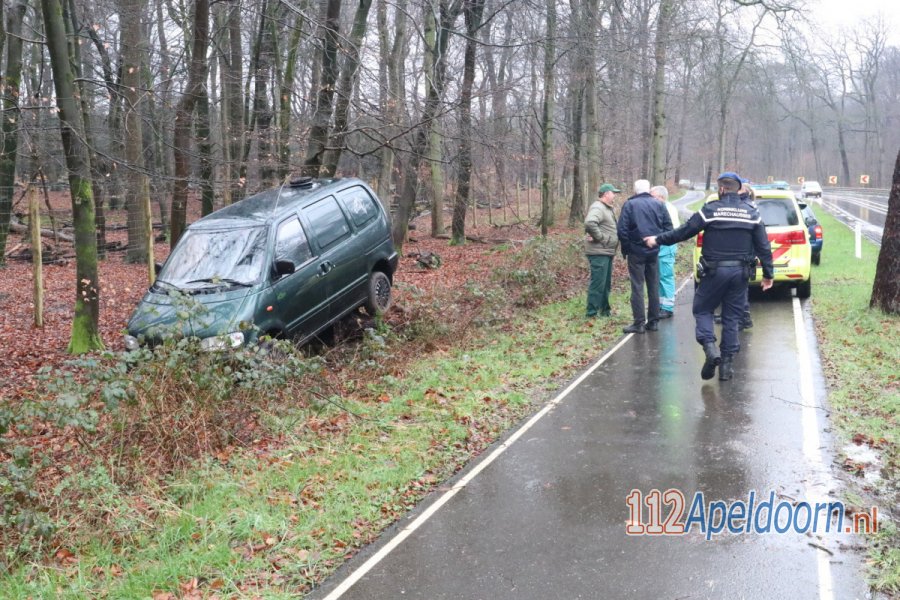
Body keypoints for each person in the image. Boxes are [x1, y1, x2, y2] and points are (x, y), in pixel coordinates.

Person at [644, 172, 774, 381]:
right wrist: (768, 274)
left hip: (714, 272)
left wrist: (657, 240)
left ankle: (710, 348)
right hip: (740, 274)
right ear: (738, 189)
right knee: (732, 318)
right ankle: (726, 367)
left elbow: (684, 232)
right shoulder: (752, 213)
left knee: (702, 309)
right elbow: (763, 246)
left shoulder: (711, 211)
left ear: (721, 189)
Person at [616, 179, 673, 334]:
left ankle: (639, 322)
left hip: (636, 251)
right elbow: (669, 228)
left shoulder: (630, 205)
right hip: (654, 250)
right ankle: (653, 321)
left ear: (635, 190)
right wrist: (657, 241)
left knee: (637, 286)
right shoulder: (659, 204)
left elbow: (622, 230)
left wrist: (627, 248)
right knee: (653, 285)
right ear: (648, 190)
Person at [584, 183, 621, 318]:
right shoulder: (598, 207)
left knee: (605, 284)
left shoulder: (607, 208)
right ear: (606, 194)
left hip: (606, 251)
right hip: (599, 251)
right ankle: (591, 313)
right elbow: (589, 223)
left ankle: (605, 311)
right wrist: (601, 238)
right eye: (613, 192)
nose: (615, 195)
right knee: (598, 283)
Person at [650, 185, 680, 319]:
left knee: (666, 277)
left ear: (660, 197)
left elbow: (669, 231)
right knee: (660, 277)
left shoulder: (667, 209)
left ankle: (668, 307)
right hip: (662, 247)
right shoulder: (664, 207)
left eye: (653, 196)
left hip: (666, 247)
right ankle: (662, 305)